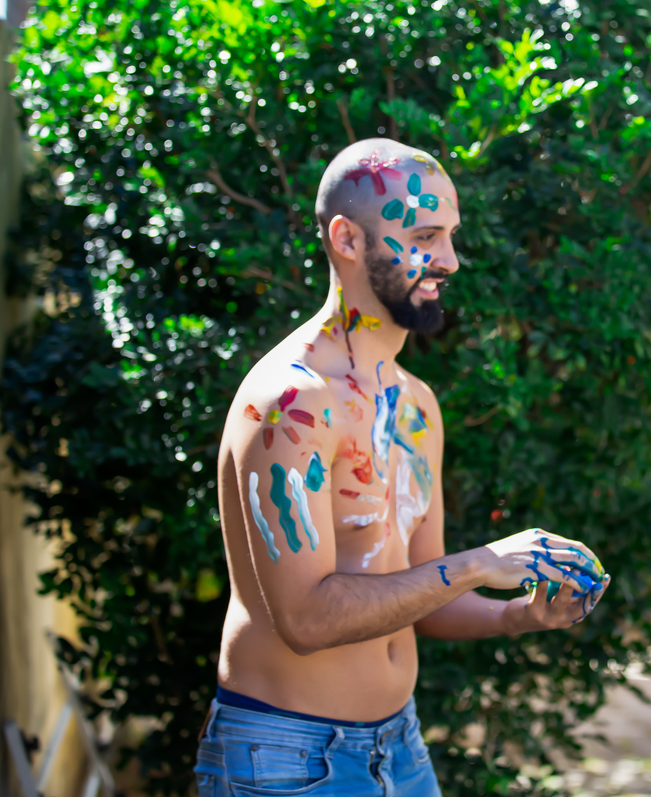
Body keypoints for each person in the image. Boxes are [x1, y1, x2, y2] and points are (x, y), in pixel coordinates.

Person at [194, 139, 609, 797]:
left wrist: (517, 617)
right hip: (286, 758)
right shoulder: (291, 403)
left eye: (450, 235)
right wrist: (480, 563)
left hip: (401, 748)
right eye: (423, 236)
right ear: (347, 240)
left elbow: (423, 593)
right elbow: (305, 622)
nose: (449, 259)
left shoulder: (415, 404)